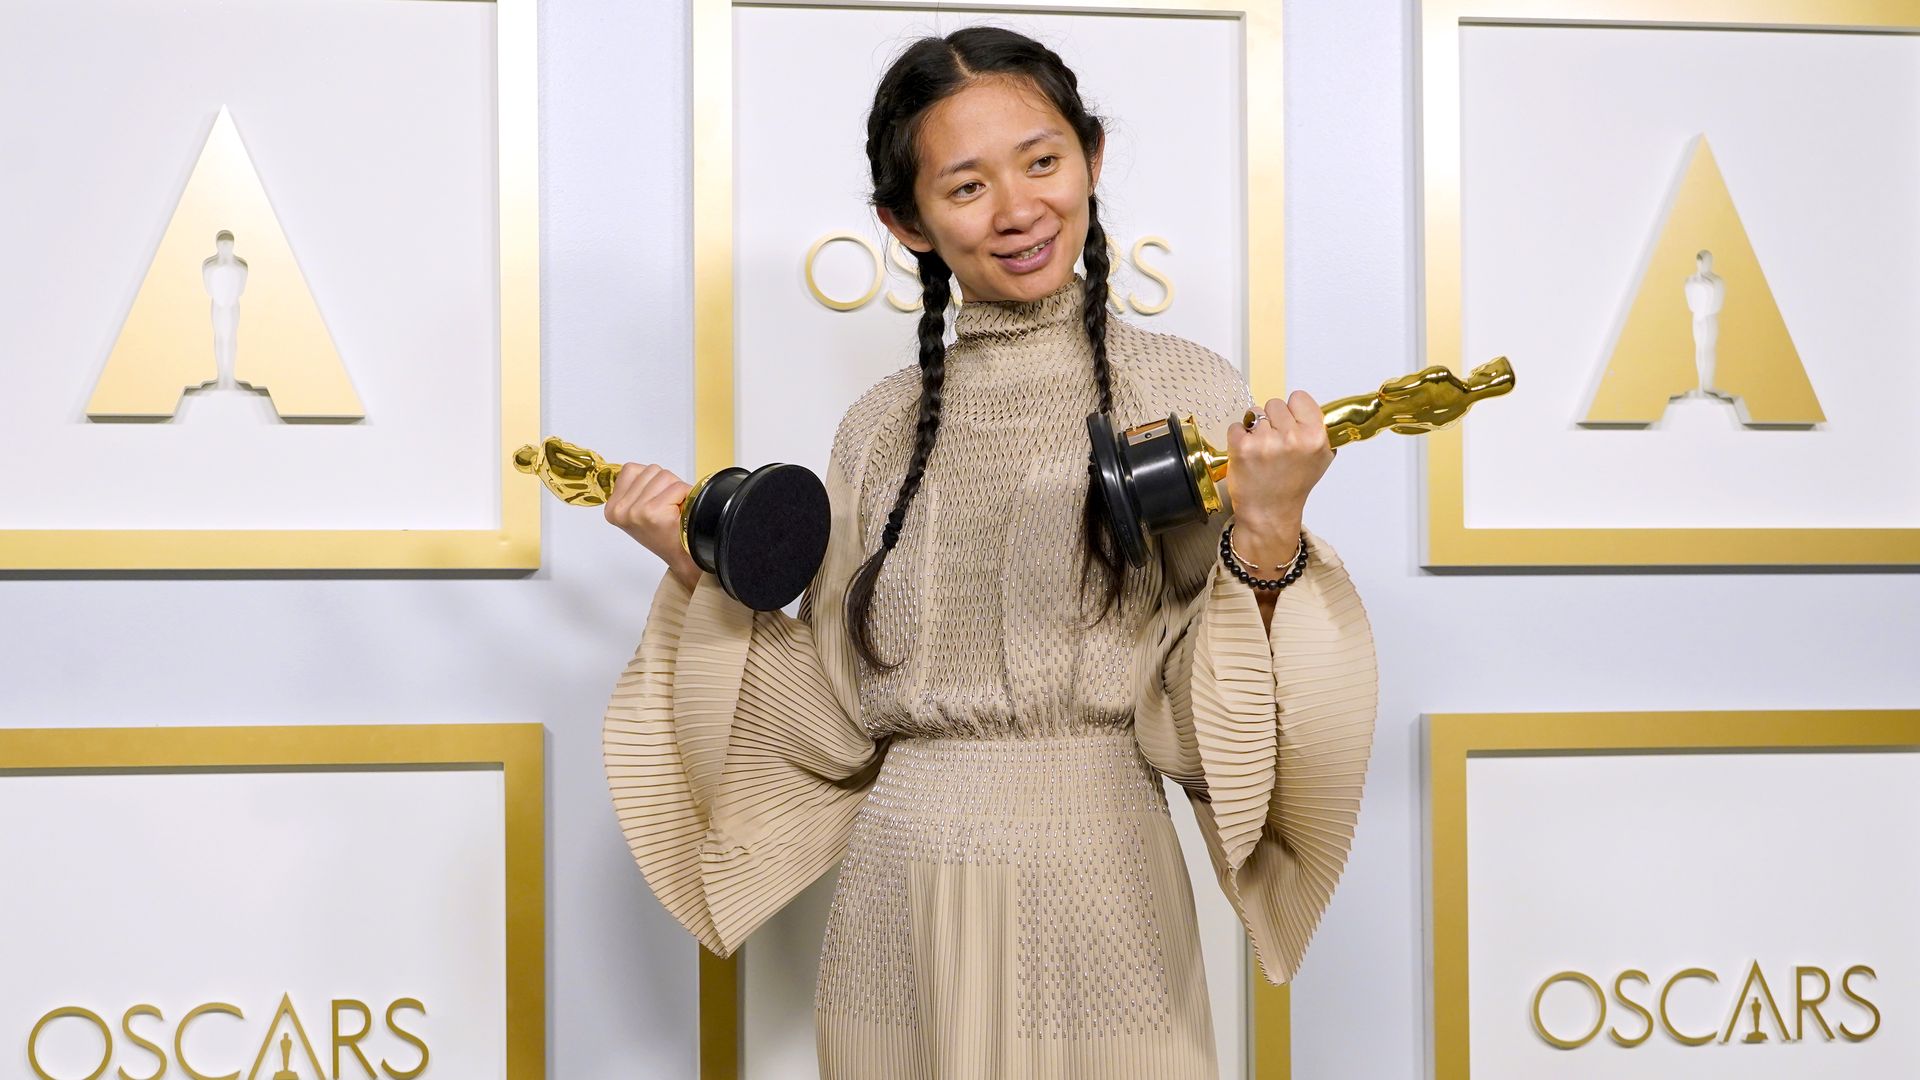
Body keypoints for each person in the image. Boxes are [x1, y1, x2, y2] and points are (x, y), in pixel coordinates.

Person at [601, 26, 1378, 1079]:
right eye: (966, 186)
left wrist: (1271, 527)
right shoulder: (876, 430)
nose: (1018, 209)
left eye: (1042, 161)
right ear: (906, 222)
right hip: (897, 895)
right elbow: (830, 711)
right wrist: (699, 568)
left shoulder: (1185, 394)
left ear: (1091, 158)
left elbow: (1218, 708)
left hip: (1101, 873)